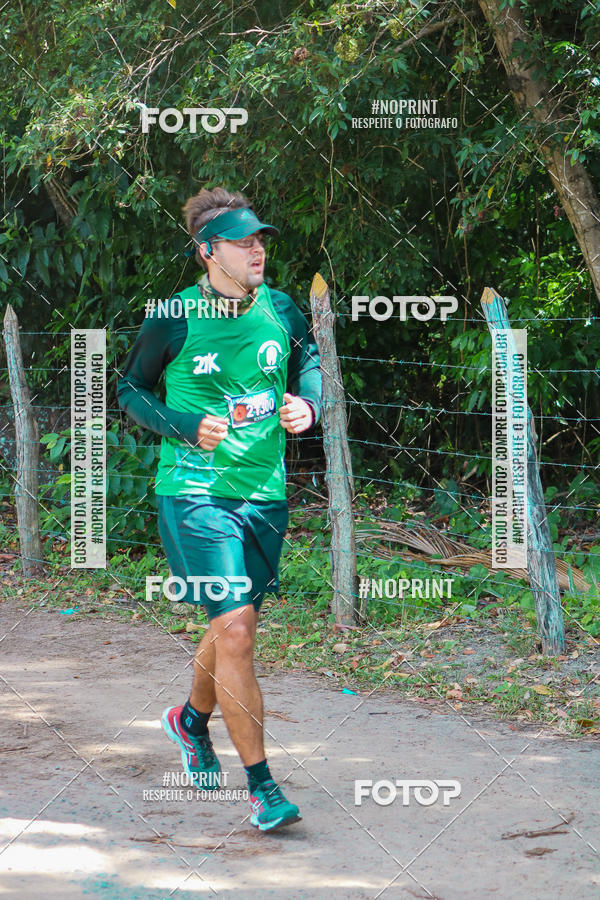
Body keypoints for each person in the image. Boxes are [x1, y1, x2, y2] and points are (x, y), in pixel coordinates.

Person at [117, 186, 321, 831]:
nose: (257, 251)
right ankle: (263, 788)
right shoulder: (173, 315)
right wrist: (182, 425)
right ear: (208, 252)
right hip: (194, 493)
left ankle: (190, 719)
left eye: (260, 241)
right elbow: (129, 389)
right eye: (243, 243)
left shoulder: (281, 308)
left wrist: (308, 404)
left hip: (264, 495)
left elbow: (309, 363)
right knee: (235, 629)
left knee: (232, 625)